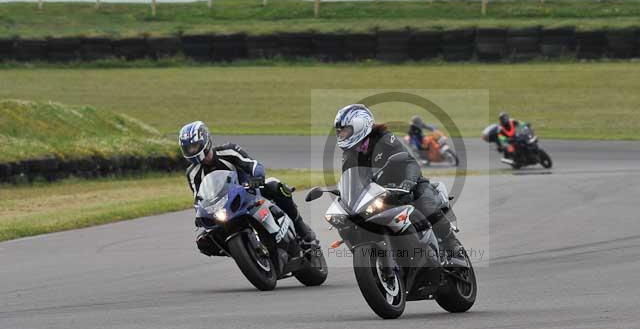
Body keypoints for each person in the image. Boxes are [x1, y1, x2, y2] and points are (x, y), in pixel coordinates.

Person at [334, 104, 460, 256]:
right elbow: (350, 179)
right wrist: (345, 198)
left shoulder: (384, 139)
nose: (342, 135)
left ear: (360, 125)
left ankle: (452, 244)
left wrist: (409, 183)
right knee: (354, 224)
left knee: (427, 207)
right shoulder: (349, 154)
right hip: (379, 194)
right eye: (339, 132)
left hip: (408, 185)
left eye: (346, 130)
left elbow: (409, 162)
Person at [179, 121, 317, 256]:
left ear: (205, 141)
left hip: (249, 191)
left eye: (194, 146)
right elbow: (198, 198)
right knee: (204, 241)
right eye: (188, 148)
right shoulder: (192, 173)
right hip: (224, 207)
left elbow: (254, 165)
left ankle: (303, 231)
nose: (192, 151)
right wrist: (200, 214)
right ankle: (243, 252)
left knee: (275, 185)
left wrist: (256, 178)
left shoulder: (229, 150)